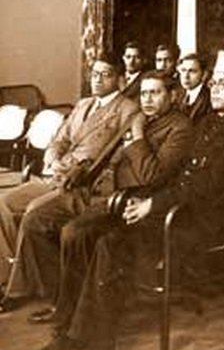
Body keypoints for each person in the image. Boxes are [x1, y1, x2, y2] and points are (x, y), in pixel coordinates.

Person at [32, 51, 224, 350]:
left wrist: (154, 204)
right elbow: (180, 175)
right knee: (84, 233)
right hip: (177, 208)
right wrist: (145, 199)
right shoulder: (210, 121)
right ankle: (71, 331)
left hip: (202, 223)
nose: (215, 89)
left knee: (110, 244)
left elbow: (205, 189)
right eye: (214, 84)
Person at [3, 71, 192, 328]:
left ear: (173, 95)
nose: (147, 99)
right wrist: (83, 169)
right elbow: (106, 153)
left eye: (155, 93)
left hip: (126, 199)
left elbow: (153, 176)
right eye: (144, 93)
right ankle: (61, 297)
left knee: (72, 233)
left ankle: (69, 309)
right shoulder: (139, 118)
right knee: (36, 218)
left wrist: (137, 137)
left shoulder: (179, 128)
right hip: (94, 188)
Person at [0, 54, 139, 307]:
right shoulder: (84, 104)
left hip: (79, 182)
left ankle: (19, 290)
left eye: (105, 74)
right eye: (94, 74)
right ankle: (12, 275)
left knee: (34, 212)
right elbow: (60, 139)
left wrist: (77, 168)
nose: (97, 79)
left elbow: (111, 153)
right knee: (4, 203)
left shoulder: (127, 109)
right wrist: (53, 160)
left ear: (119, 79)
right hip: (54, 173)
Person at [176, 53, 211, 125]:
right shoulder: (177, 95)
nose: (186, 76)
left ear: (204, 74)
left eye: (192, 71)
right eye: (183, 70)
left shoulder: (209, 98)